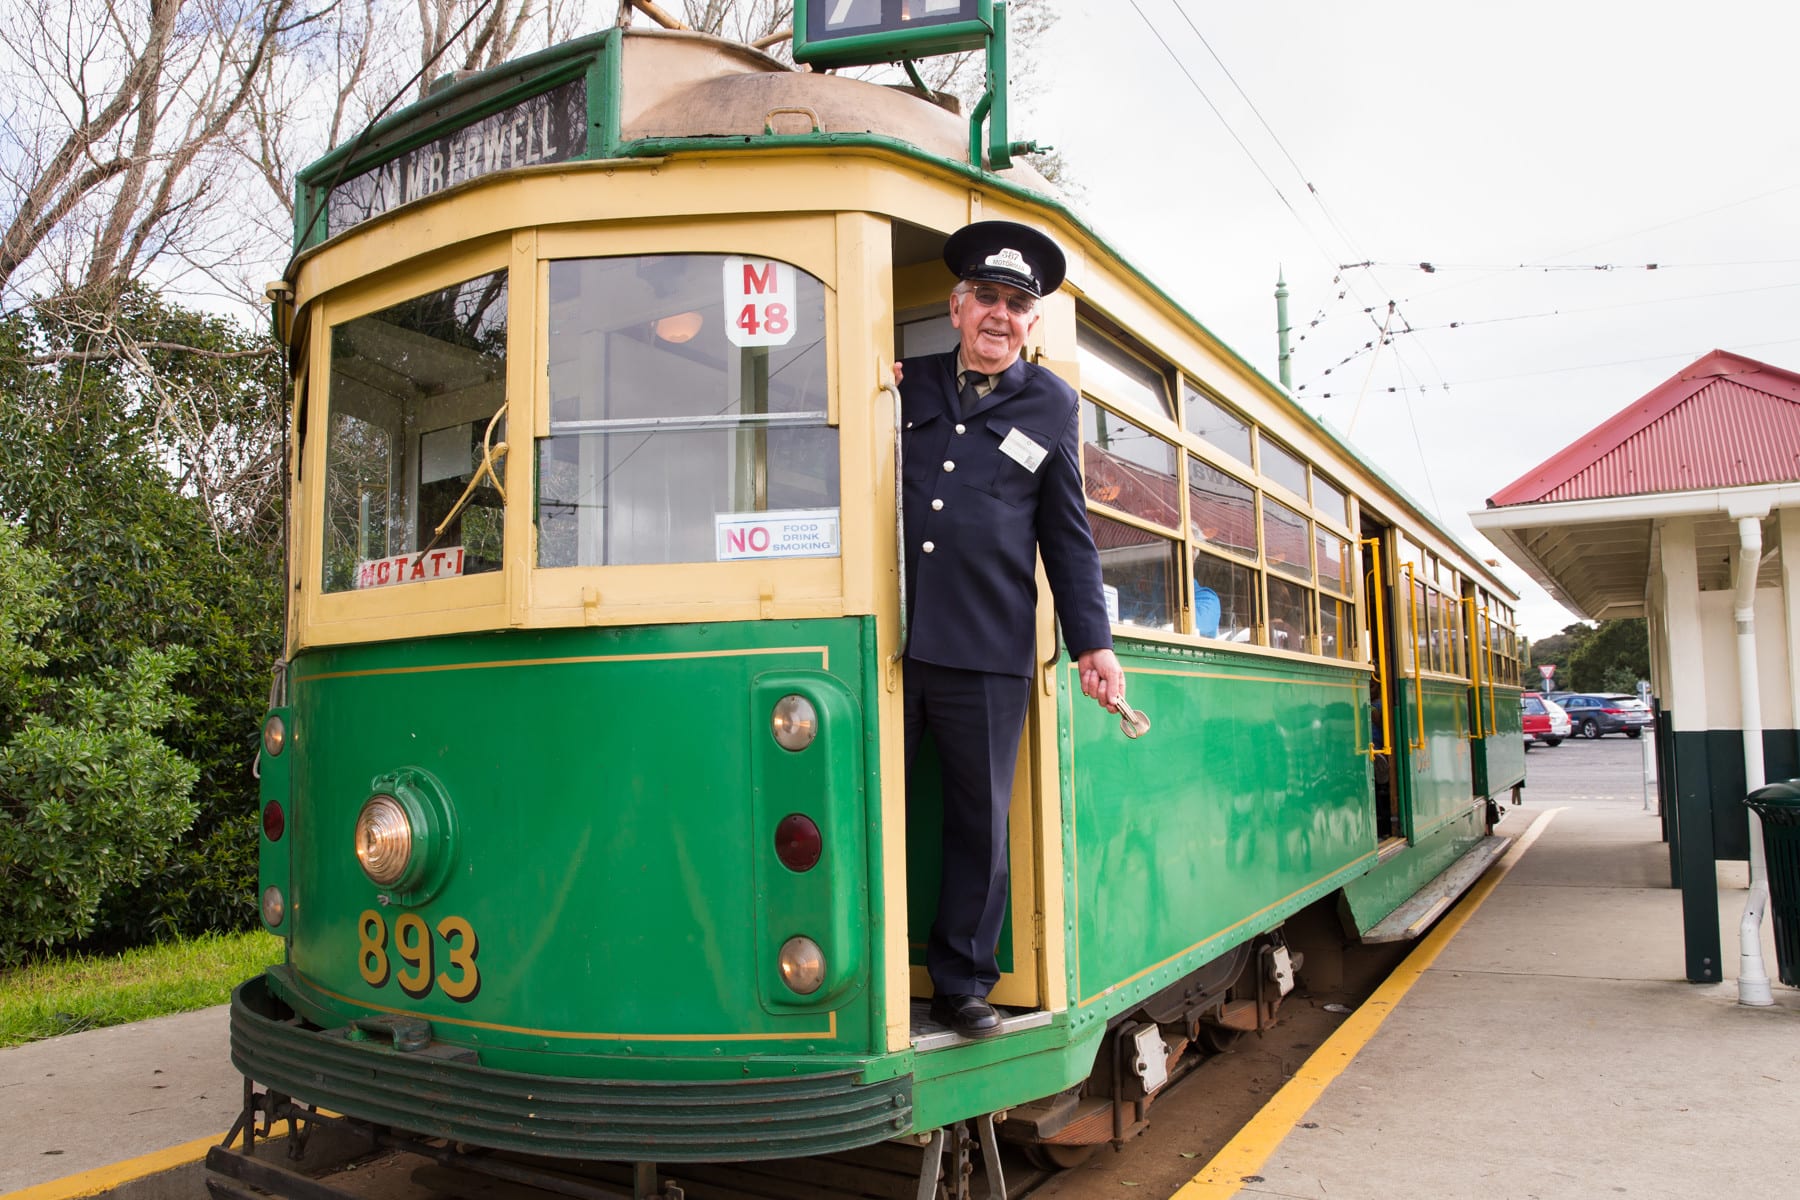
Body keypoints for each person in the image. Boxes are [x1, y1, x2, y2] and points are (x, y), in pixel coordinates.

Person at [893, 220, 1124, 1039]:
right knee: (873, 809)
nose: (999, 314)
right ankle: (873, 970)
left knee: (977, 822)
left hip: (988, 649)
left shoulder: (1052, 401)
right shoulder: (903, 384)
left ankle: (961, 983)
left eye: (1016, 304)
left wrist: (1093, 643)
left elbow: (1066, 533)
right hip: (892, 644)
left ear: (1031, 323)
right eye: (985, 297)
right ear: (956, 308)